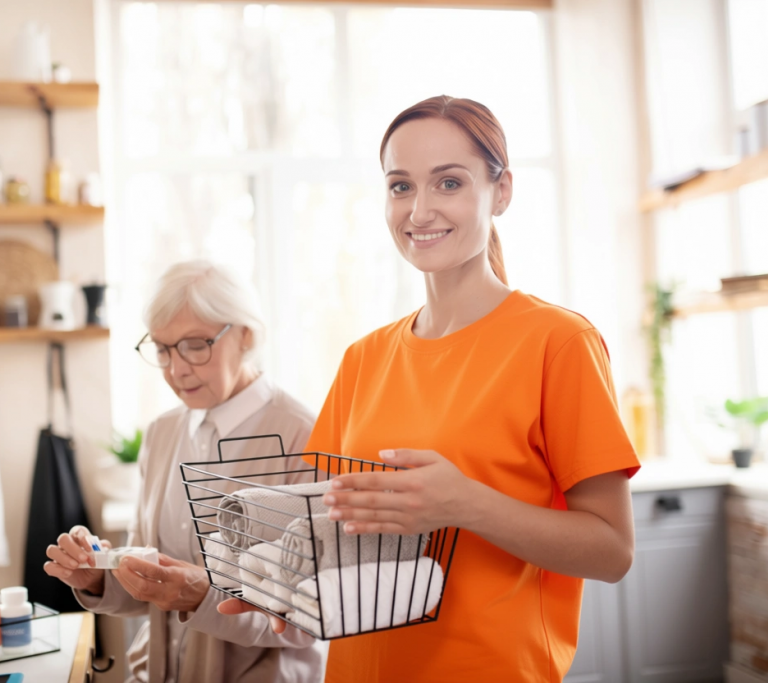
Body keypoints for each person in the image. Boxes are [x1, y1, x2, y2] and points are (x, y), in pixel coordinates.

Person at [222, 96, 640, 682]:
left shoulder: (558, 342)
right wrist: (281, 587)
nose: (419, 211)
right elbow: (336, 531)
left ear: (501, 191)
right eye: (401, 186)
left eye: (449, 182)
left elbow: (613, 552)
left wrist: (464, 504)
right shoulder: (364, 358)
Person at [45, 260, 325, 683]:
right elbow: (148, 580)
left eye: (195, 345)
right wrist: (98, 579)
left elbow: (311, 614)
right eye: (162, 349)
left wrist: (202, 596)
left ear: (246, 335)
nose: (176, 370)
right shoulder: (162, 433)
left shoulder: (304, 436)